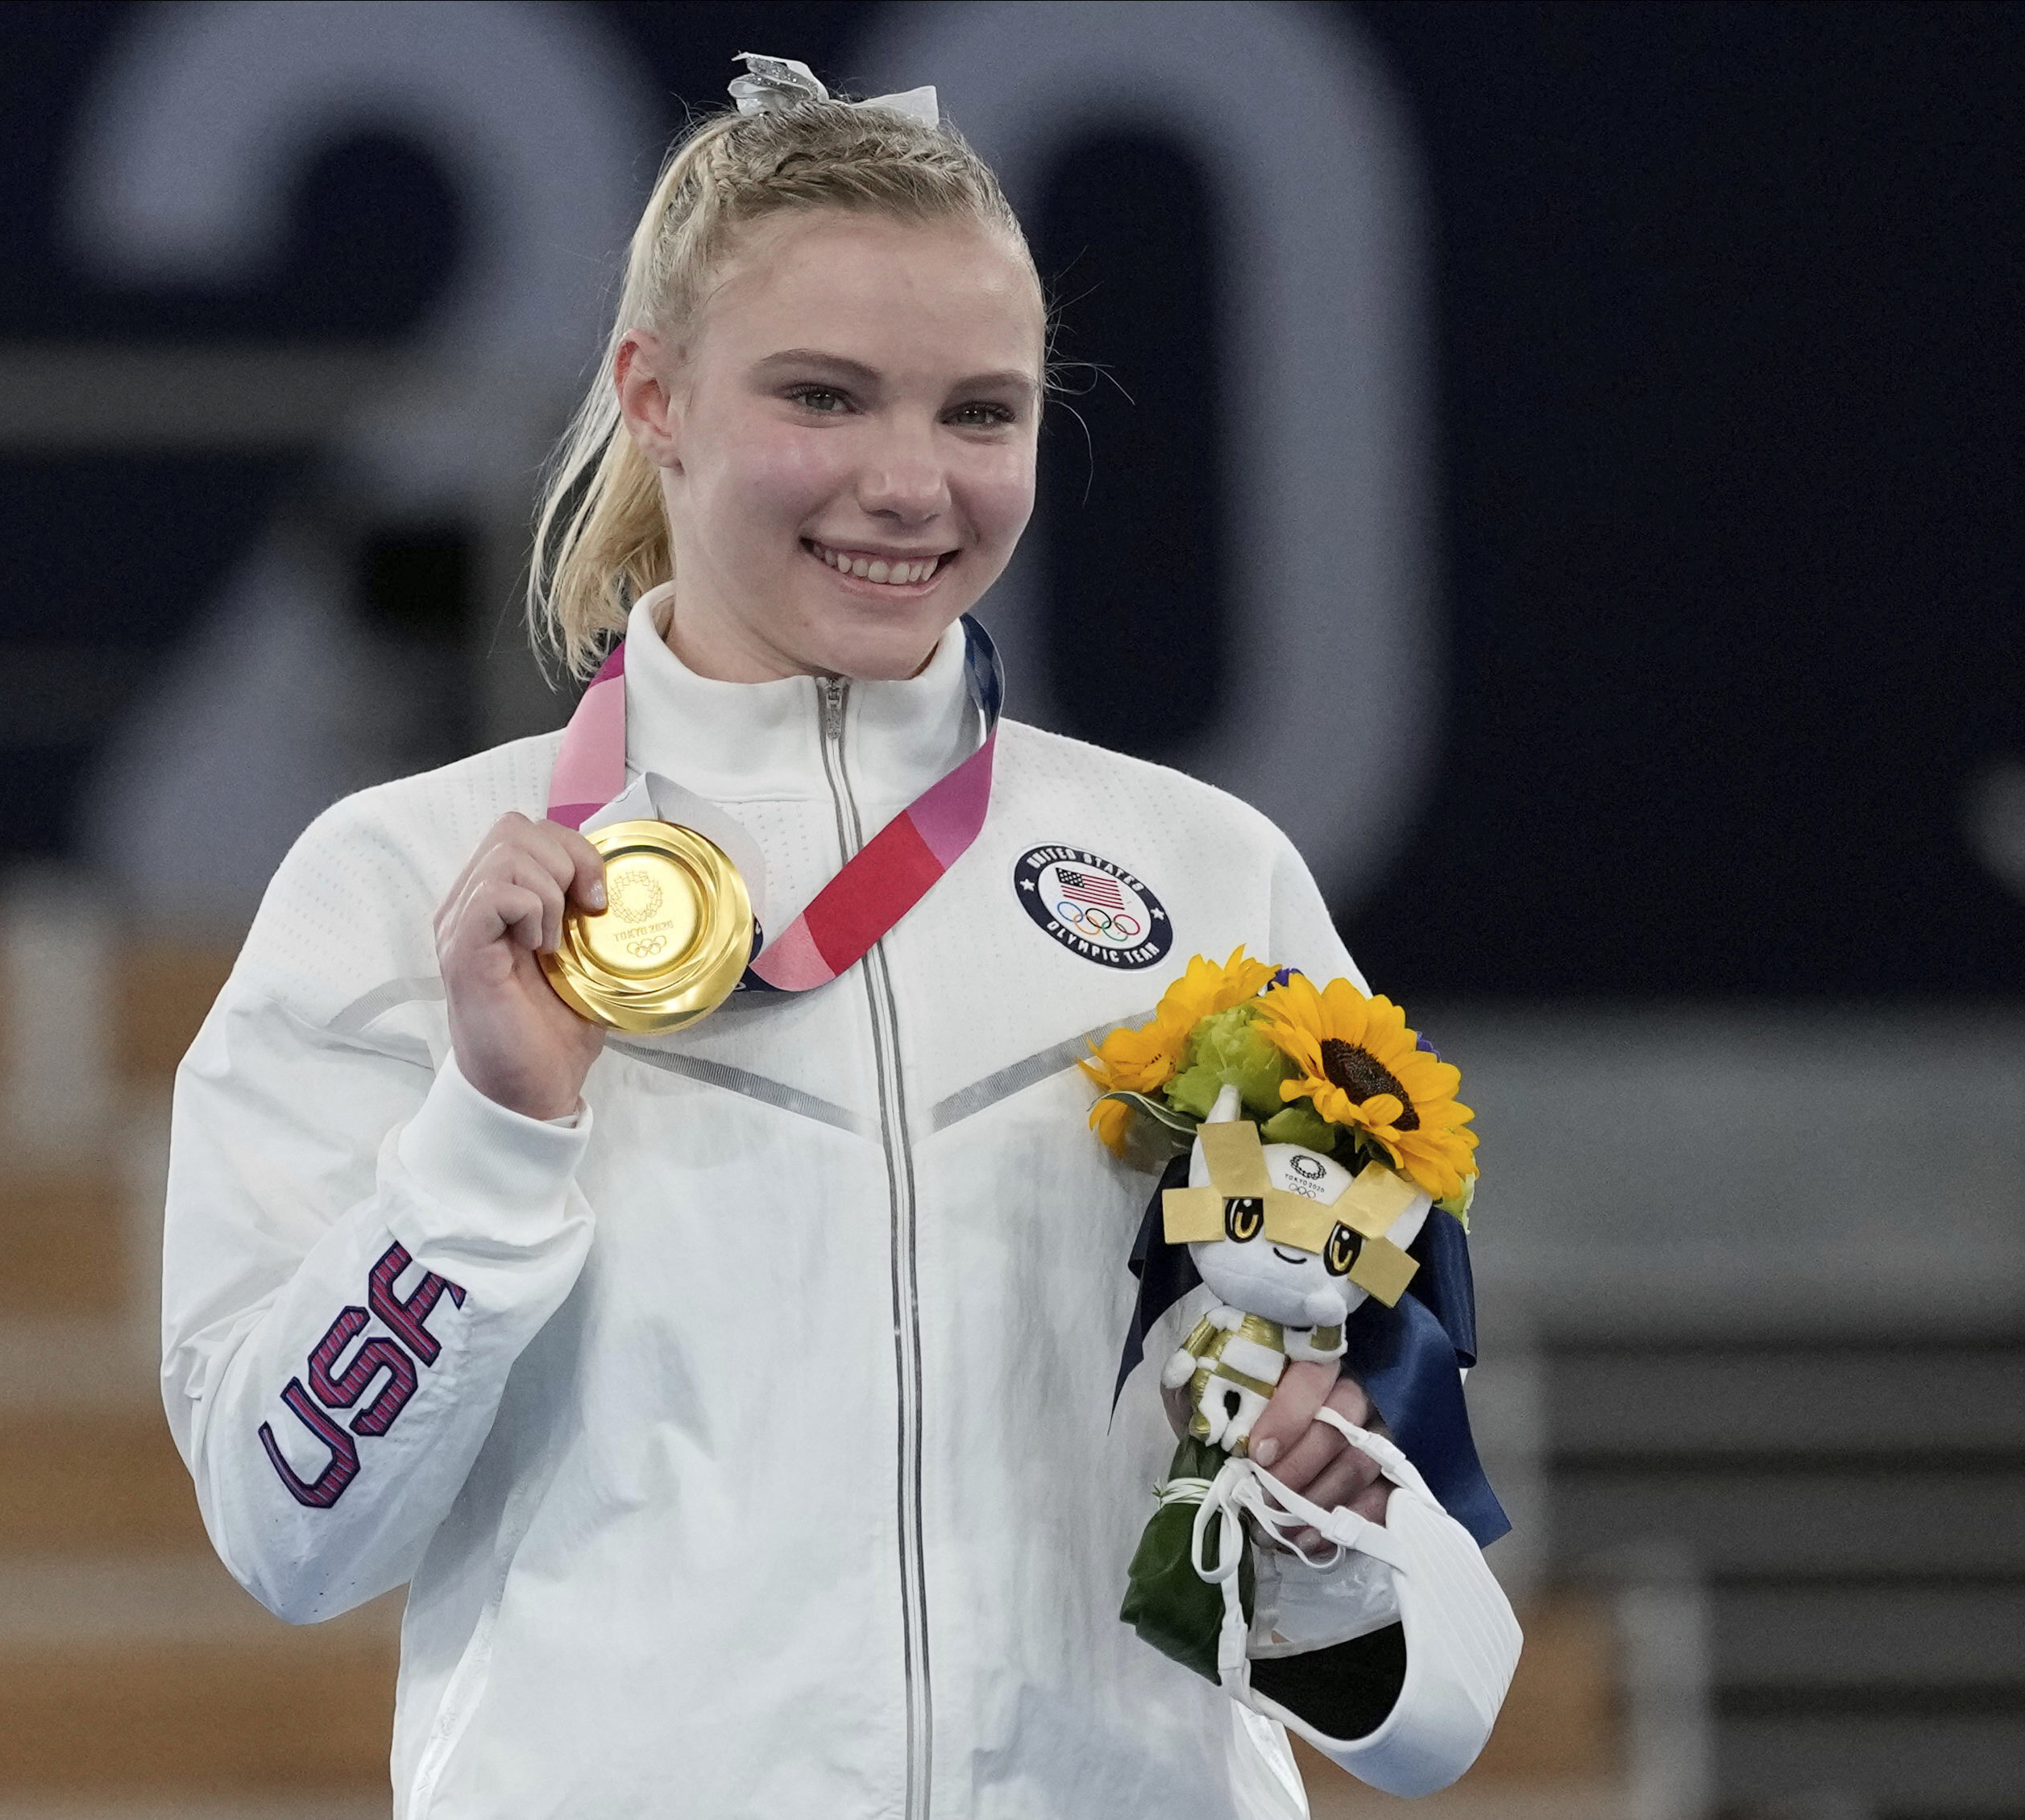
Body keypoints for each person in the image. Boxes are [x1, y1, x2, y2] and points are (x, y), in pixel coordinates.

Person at [162, 56, 1438, 1818]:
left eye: (978, 414)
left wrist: (1319, 1530)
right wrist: (495, 1132)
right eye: (824, 398)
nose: (908, 483)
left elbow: (1404, 1634)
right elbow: (282, 1522)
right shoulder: (400, 886)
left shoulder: (1204, 878)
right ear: (654, 394)